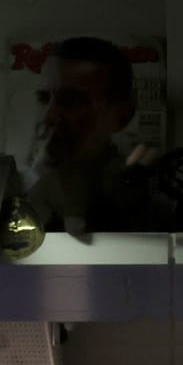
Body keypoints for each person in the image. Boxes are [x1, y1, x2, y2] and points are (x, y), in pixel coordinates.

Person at [25, 36, 155, 233]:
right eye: (44, 98)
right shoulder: (29, 189)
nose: (50, 116)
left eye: (71, 100)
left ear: (122, 114)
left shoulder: (137, 197)